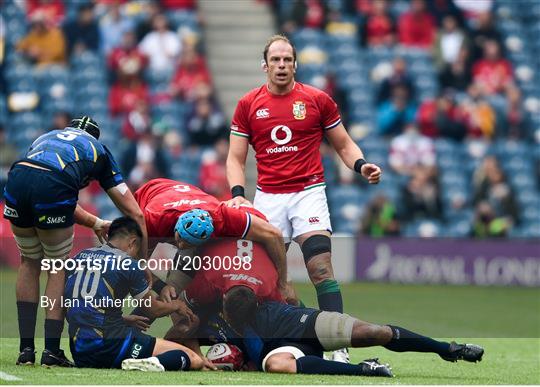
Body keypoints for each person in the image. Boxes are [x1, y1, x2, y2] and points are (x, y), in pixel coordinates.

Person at [225, 34, 382, 363]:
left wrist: (361, 164)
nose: (281, 65)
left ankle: (337, 345)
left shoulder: (317, 100)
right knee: (261, 280)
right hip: (268, 199)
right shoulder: (248, 104)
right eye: (275, 60)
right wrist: (238, 196)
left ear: (295, 64)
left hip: (308, 193)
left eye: (287, 60)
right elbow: (235, 159)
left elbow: (343, 143)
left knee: (321, 269)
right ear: (264, 65)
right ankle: (260, 346)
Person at [3, 116, 147, 367]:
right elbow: (135, 212)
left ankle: (26, 350)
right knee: (56, 266)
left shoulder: (45, 137)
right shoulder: (98, 150)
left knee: (29, 262)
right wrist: (143, 263)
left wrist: (94, 222)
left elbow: (46, 184)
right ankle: (51, 351)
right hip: (52, 183)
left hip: (17, 177)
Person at [64, 216, 203, 371]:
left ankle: (141, 360)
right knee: (193, 359)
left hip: (80, 353)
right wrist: (176, 305)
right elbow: (153, 309)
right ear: (132, 242)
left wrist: (122, 319)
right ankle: (147, 362)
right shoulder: (128, 263)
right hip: (112, 347)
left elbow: (77, 307)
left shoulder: (77, 258)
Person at [133, 178, 287, 292]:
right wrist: (161, 288)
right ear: (176, 228)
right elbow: (135, 263)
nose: (180, 246)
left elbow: (273, 233)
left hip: (193, 200)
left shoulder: (222, 216)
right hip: (151, 192)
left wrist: (283, 282)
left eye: (189, 243)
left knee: (175, 289)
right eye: (180, 239)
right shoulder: (152, 220)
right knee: (140, 280)